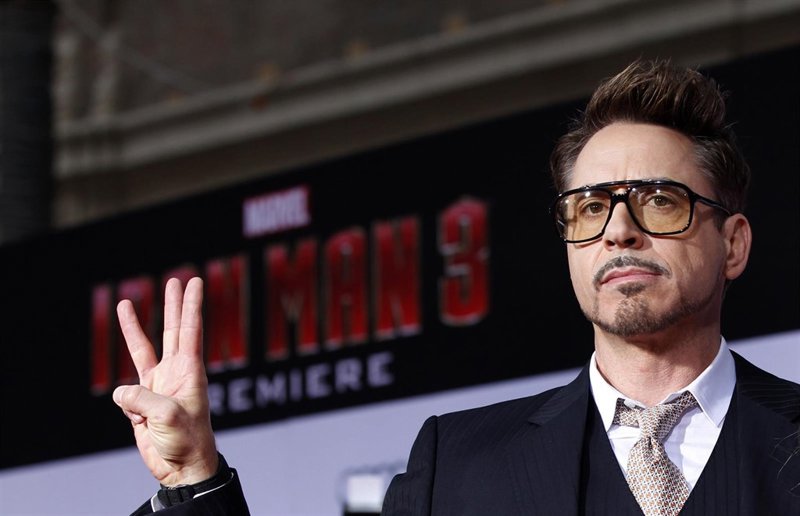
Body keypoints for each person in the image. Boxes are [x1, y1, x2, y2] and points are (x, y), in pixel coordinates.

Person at [113, 58, 800, 515]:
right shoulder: (458, 465)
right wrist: (195, 477)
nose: (618, 231)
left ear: (733, 243)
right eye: (591, 207)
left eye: (660, 201)